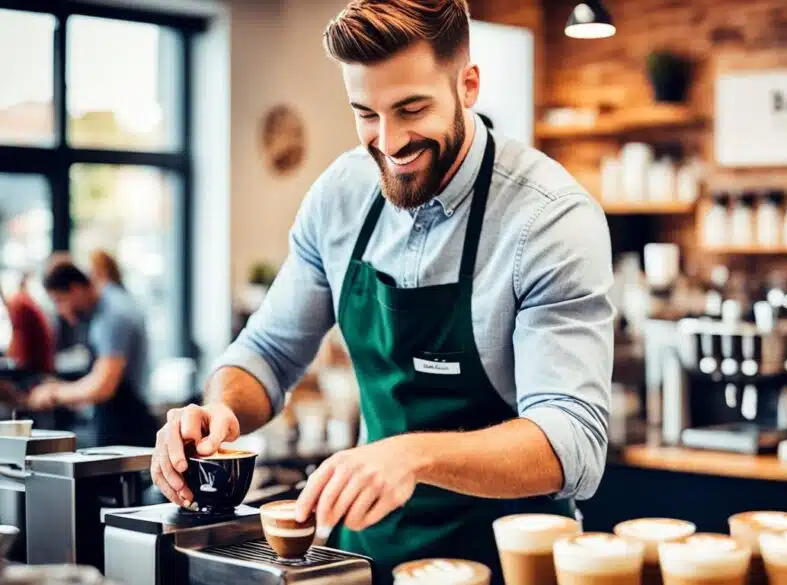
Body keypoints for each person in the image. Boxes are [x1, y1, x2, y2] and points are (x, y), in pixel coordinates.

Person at [150, 0, 613, 579]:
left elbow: (573, 439)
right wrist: (219, 411)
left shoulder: (548, 219)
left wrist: (413, 453)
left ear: (467, 86)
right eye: (365, 113)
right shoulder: (340, 196)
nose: (389, 143)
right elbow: (266, 353)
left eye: (411, 109)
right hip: (362, 558)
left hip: (510, 559)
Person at [24, 256, 157, 447]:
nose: (60, 311)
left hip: (129, 429)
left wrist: (53, 392)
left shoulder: (113, 314)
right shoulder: (108, 306)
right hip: (117, 421)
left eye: (60, 300)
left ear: (76, 289)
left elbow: (103, 385)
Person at [0, 275, 55, 375]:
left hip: (38, 375)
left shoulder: (17, 305)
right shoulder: (19, 302)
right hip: (38, 370)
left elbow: (20, 356)